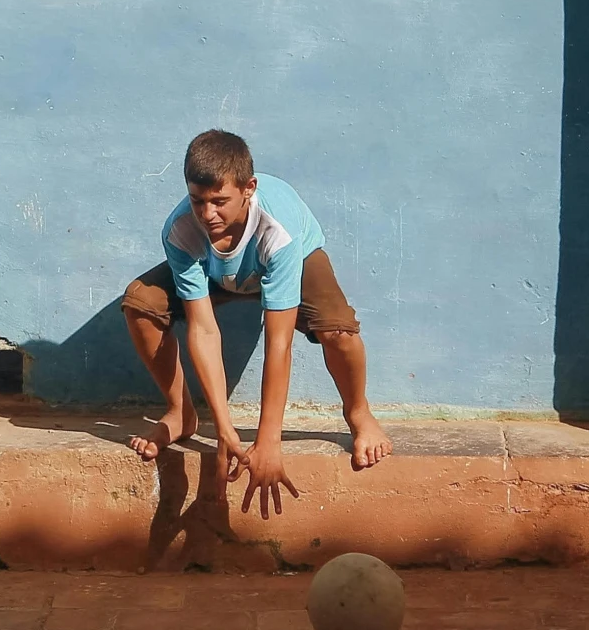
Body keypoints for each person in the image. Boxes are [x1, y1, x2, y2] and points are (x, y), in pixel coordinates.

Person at [119, 129, 391, 514]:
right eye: (197, 201)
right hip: (220, 273)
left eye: (219, 201)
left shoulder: (276, 231)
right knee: (140, 304)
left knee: (339, 331)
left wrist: (269, 441)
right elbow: (204, 328)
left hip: (290, 260)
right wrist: (225, 430)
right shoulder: (181, 229)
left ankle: (360, 413)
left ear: (249, 188)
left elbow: (279, 344)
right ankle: (181, 412)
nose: (207, 214)